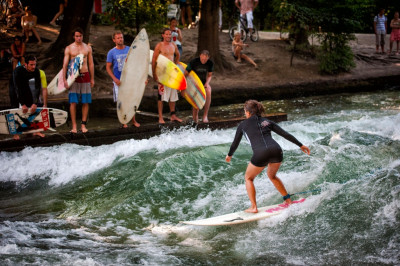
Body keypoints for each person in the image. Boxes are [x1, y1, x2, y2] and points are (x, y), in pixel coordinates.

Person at [225, 100, 310, 213]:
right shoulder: (267, 121)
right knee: (272, 175)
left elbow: (235, 143)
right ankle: (288, 201)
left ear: (249, 112)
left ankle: (254, 207)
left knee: (248, 178)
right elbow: (285, 134)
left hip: (261, 153)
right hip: (276, 150)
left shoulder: (242, 125)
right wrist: (300, 145)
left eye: (245, 111)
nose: (245, 114)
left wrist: (229, 155)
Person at [63, 27, 94, 133]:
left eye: (80, 36)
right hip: (73, 77)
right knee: (73, 102)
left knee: (86, 102)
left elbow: (91, 64)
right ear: (74, 36)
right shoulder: (69, 48)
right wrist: (64, 79)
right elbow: (65, 64)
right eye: (77, 36)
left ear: (82, 36)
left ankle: (83, 125)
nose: (79, 38)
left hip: (85, 75)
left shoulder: (87, 48)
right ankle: (74, 126)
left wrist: (92, 78)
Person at [106, 31, 140, 128]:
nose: (120, 39)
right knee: (121, 102)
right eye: (118, 38)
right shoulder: (111, 52)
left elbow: (135, 63)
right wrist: (114, 79)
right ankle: (123, 121)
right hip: (118, 80)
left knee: (132, 100)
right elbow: (108, 67)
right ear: (114, 40)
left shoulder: (129, 49)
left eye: (121, 37)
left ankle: (133, 120)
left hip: (129, 79)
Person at [152, 28, 183, 124]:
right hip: (162, 73)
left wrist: (176, 65)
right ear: (163, 35)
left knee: (173, 94)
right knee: (161, 95)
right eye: (167, 34)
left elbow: (177, 55)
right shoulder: (159, 46)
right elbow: (154, 60)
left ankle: (173, 115)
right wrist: (154, 74)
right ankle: (160, 117)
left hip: (171, 73)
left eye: (170, 34)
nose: (169, 36)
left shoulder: (174, 45)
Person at [13, 55, 48, 139]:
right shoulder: (18, 71)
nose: (33, 67)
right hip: (15, 87)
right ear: (26, 64)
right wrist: (22, 104)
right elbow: (17, 88)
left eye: (34, 64)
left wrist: (35, 103)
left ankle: (36, 131)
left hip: (26, 86)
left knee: (32, 106)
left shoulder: (36, 71)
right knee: (19, 107)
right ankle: (16, 133)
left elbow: (37, 88)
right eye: (31, 65)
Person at [184, 50, 213, 123]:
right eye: (202, 59)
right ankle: (195, 119)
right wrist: (184, 87)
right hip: (194, 84)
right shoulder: (194, 62)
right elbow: (185, 73)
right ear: (200, 55)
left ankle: (205, 116)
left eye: (205, 59)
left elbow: (209, 76)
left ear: (208, 57)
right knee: (196, 101)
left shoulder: (210, 63)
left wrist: (207, 83)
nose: (203, 60)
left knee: (209, 90)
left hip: (203, 83)